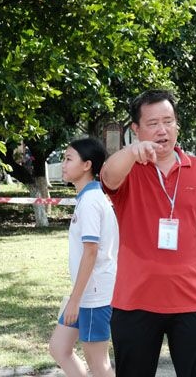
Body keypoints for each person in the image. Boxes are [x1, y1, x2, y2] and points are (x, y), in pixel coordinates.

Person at [100, 90, 196, 376]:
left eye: (168, 121)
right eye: (152, 123)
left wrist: (185, 261)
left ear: (177, 125)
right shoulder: (129, 168)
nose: (162, 130)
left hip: (191, 298)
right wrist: (133, 152)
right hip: (135, 300)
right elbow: (108, 177)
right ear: (136, 129)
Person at [49, 138, 118, 377]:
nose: (63, 164)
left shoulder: (90, 201)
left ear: (87, 165)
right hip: (85, 292)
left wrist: (75, 300)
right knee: (59, 348)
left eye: (69, 159)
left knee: (98, 364)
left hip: (94, 295)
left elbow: (91, 251)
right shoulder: (87, 198)